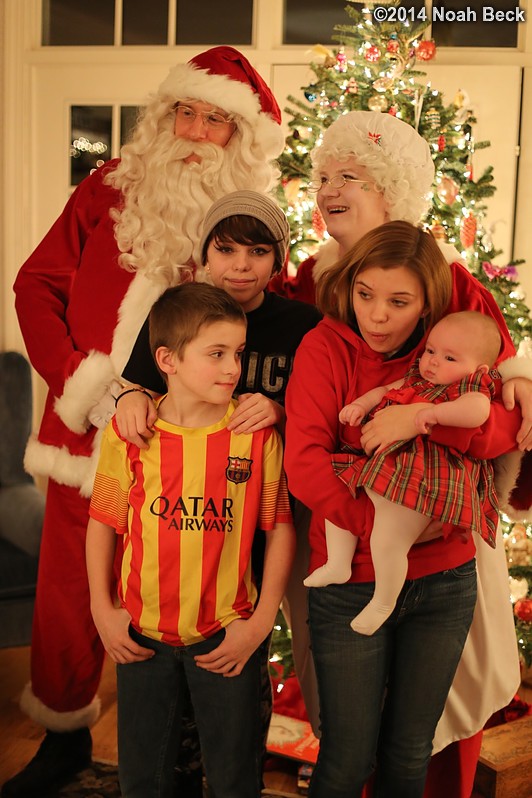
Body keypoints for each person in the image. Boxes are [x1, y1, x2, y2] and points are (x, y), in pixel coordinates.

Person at [6, 46, 285, 797]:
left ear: (242, 137)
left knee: (193, 592)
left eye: (216, 121)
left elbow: (282, 330)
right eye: (184, 113)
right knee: (72, 591)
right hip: (90, 435)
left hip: (202, 451)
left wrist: (269, 406)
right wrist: (84, 383)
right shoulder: (108, 189)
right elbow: (35, 285)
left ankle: (185, 757)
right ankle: (64, 741)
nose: (195, 132)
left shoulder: (250, 223)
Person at [270, 109, 532, 798]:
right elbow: (305, 446)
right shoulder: (314, 302)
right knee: (345, 742)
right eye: (323, 175)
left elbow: (498, 420)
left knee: (415, 745)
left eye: (349, 175)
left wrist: (425, 422)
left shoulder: (453, 299)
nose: (379, 314)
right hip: (344, 548)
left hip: (441, 558)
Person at [114, 190, 321, 786]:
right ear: (205, 252)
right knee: (162, 730)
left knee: (236, 703)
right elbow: (139, 385)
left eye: (258, 251)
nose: (240, 264)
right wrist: (130, 397)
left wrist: (279, 408)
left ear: (278, 259)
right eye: (225, 248)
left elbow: (322, 407)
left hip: (257, 519)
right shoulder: (176, 309)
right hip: (176, 538)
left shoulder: (301, 324)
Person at [86, 282, 295, 798]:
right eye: (216, 354)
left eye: (239, 354)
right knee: (144, 779)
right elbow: (102, 522)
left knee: (233, 778)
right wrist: (103, 610)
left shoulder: (253, 434)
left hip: (227, 635)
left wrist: (262, 620)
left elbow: (280, 526)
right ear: (168, 359)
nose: (232, 368)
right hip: (141, 637)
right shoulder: (130, 432)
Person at [307, 309, 503, 638]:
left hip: (425, 481)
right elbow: (385, 389)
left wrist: (430, 414)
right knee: (339, 491)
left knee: (389, 539)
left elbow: (478, 412)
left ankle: (384, 600)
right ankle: (338, 562)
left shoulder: (469, 388)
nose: (434, 362)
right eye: (431, 351)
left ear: (479, 369)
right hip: (384, 470)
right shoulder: (418, 378)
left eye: (450, 357)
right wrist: (362, 405)